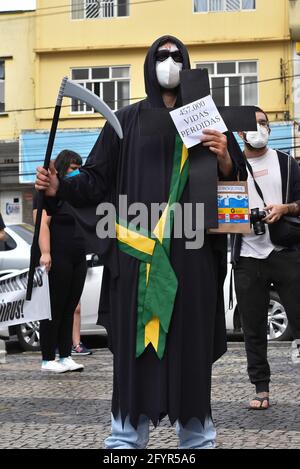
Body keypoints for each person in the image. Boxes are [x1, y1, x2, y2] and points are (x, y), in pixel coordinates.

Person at [35, 36, 244, 449]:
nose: (169, 62)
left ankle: (197, 440)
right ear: (149, 63)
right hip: (137, 260)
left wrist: (223, 157)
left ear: (188, 65)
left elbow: (233, 185)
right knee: (137, 353)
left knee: (189, 350)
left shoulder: (206, 118)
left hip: (192, 259)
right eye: (162, 55)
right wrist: (61, 186)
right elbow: (95, 179)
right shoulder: (125, 121)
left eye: (177, 56)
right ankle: (126, 441)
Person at [232, 107, 300, 409]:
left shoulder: (286, 163)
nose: (261, 128)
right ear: (241, 133)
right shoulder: (231, 168)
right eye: (254, 125)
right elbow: (220, 212)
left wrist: (285, 208)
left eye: (264, 123)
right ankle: (261, 388)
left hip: (285, 251)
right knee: (253, 326)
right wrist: (240, 216)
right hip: (247, 255)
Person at [33, 149, 87, 373]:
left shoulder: (76, 193)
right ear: (63, 168)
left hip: (78, 255)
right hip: (58, 255)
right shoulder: (47, 191)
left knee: (70, 306)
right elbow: (41, 223)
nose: (77, 172)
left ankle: (65, 355)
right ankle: (48, 358)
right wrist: (46, 253)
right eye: (74, 168)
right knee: (53, 307)